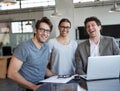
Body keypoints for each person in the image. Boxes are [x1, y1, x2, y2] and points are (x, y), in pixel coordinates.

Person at [7, 17, 54, 91]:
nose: (45, 33)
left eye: (48, 31)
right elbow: (11, 73)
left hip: (41, 86)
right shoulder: (24, 47)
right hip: (27, 88)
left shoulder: (46, 47)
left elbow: (42, 68)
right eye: (42, 30)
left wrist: (56, 76)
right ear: (35, 30)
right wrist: (33, 87)